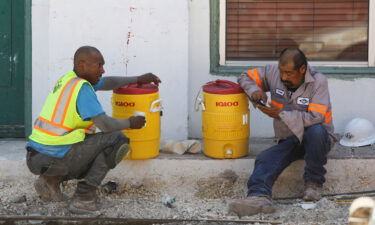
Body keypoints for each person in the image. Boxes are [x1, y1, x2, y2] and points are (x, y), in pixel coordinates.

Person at [25, 46, 161, 214]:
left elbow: (108, 82)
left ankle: (49, 181)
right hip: (53, 156)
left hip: (36, 157)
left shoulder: (70, 80)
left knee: (94, 141)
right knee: (117, 140)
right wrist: (131, 122)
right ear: (82, 65)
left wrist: (138, 78)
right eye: (99, 65)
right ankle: (84, 197)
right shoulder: (82, 90)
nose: (102, 70)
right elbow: (106, 125)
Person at [229, 47, 335, 217]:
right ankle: (258, 196)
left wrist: (281, 114)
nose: (283, 77)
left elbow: (316, 117)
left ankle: (313, 185)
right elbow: (244, 76)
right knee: (265, 158)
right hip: (289, 138)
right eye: (281, 71)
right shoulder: (272, 72)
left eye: (289, 73)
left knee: (315, 131)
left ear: (302, 69)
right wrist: (254, 90)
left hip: (318, 139)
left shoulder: (318, 81)